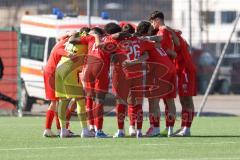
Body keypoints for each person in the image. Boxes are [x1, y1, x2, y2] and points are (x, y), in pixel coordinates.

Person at [55, 30, 94, 138]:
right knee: (80, 101)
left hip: (59, 70)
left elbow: (58, 47)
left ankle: (63, 130)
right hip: (70, 71)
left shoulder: (69, 42)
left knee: (63, 101)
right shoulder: (86, 40)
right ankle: (85, 130)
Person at [74, 27, 110, 138]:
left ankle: (91, 127)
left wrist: (77, 33)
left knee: (89, 101)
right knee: (98, 101)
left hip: (88, 70)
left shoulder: (89, 39)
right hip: (100, 70)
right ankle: (98, 130)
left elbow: (72, 40)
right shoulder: (109, 40)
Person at [149, 11, 177, 136]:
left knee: (154, 100)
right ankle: (170, 129)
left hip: (163, 69)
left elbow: (165, 49)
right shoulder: (167, 30)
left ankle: (155, 128)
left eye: (152, 21)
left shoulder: (162, 31)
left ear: (157, 20)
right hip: (171, 67)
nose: (151, 24)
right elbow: (175, 47)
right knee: (169, 101)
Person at [166, 27, 197, 136]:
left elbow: (178, 47)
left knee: (186, 99)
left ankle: (186, 128)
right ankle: (184, 127)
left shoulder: (175, 37)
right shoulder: (175, 37)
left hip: (186, 71)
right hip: (181, 71)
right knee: (183, 100)